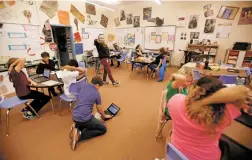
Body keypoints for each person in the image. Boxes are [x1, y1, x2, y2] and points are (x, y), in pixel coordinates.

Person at [167, 76, 251, 160]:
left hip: (175, 155)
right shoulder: (224, 114)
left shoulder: (175, 101)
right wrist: (203, 102)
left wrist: (199, 102)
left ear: (195, 88)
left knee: (170, 132)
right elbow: (242, 92)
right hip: (207, 157)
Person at [70, 76, 113, 150]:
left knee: (91, 118)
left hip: (74, 115)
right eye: (99, 86)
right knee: (103, 129)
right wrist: (104, 116)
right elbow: (99, 110)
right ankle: (80, 135)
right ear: (97, 85)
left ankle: (77, 126)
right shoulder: (97, 93)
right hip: (84, 118)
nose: (99, 88)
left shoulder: (83, 85)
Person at [155, 73, 192, 139]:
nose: (186, 83)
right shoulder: (173, 87)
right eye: (185, 81)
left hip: (179, 109)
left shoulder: (185, 89)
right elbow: (181, 79)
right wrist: (173, 76)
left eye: (189, 81)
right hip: (170, 111)